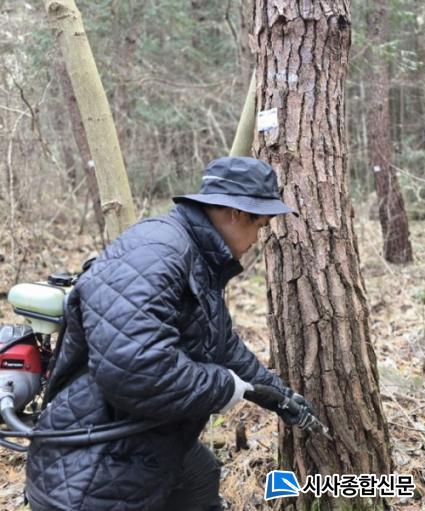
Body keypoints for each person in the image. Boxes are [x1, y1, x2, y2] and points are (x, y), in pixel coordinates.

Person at [25, 156, 315, 511]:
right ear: (236, 213)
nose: (258, 239)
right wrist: (224, 386)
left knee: (201, 477)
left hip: (145, 441)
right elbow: (135, 371)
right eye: (260, 226)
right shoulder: (155, 253)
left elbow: (223, 347)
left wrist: (280, 397)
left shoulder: (195, 256)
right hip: (93, 467)